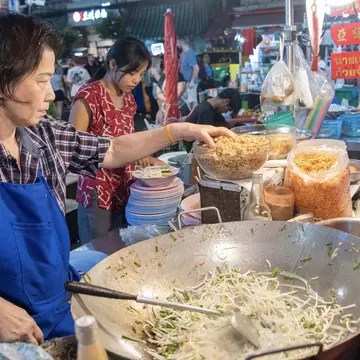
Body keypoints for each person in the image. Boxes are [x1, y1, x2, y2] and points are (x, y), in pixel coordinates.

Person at [0, 13, 234, 346]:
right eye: (41, 80)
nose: (51, 95)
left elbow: (112, 149)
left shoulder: (42, 135)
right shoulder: (86, 98)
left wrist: (179, 130)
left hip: (59, 300)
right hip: (14, 333)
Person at [70, 37, 166, 245]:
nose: (136, 80)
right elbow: (73, 149)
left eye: (140, 74)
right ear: (112, 64)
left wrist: (145, 157)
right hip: (98, 191)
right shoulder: (88, 97)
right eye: (132, 73)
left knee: (123, 248)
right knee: (99, 251)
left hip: (127, 186)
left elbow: (127, 139)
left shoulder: (128, 98)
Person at [177, 38, 200, 111]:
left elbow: (196, 67)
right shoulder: (185, 54)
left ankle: (195, 118)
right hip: (187, 82)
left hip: (190, 82)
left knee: (192, 101)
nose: (176, 45)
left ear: (180, 42)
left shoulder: (189, 53)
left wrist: (192, 81)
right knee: (190, 101)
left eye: (176, 43)